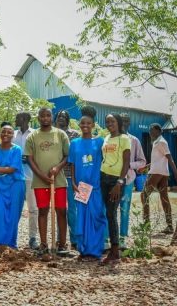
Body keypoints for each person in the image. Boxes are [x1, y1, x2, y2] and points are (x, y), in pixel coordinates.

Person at [25, 107, 70, 255]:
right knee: (43, 211)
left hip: (59, 181)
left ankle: (62, 245)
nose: (45, 118)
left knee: (62, 211)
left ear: (52, 117)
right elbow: (29, 158)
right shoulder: (33, 136)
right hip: (40, 181)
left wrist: (57, 168)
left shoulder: (60, 134)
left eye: (48, 115)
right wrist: (41, 175)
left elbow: (66, 156)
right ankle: (44, 244)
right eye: (42, 116)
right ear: (38, 118)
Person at [69, 106, 106, 260]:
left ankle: (96, 250)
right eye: (82, 123)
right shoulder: (75, 143)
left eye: (88, 123)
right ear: (79, 125)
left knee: (97, 216)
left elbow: (105, 162)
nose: (85, 126)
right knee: (82, 217)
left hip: (96, 186)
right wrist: (73, 182)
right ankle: (83, 250)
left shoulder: (100, 142)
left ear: (93, 125)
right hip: (82, 186)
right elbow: (72, 164)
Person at [141, 123, 177, 234]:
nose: (150, 132)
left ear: (157, 130)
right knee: (164, 199)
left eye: (151, 130)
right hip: (161, 173)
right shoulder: (157, 142)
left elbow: (170, 159)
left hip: (157, 173)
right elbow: (158, 160)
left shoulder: (161, 142)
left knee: (144, 195)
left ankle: (146, 224)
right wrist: (146, 166)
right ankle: (170, 226)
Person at [100, 113, 130, 263]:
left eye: (112, 121)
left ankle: (115, 251)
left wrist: (119, 182)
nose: (109, 123)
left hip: (115, 181)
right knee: (107, 213)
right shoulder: (106, 138)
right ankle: (112, 249)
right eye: (107, 121)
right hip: (103, 178)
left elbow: (126, 162)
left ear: (118, 123)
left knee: (111, 213)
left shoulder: (124, 139)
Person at [119, 114, 146, 248]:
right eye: (122, 121)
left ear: (129, 123)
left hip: (128, 180)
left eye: (127, 121)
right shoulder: (110, 139)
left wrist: (129, 165)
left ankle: (122, 238)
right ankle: (108, 239)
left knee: (124, 209)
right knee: (109, 210)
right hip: (111, 181)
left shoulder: (134, 140)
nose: (124, 123)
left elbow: (142, 161)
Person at [13, 112, 39, 250]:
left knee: (33, 208)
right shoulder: (13, 134)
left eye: (17, 117)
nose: (15, 119)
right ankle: (11, 237)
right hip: (15, 176)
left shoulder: (34, 134)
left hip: (31, 176)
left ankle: (33, 237)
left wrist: (29, 159)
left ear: (25, 119)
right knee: (14, 207)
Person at [55, 109, 80, 250]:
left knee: (72, 209)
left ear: (68, 119)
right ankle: (60, 239)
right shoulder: (52, 134)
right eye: (59, 116)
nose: (62, 118)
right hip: (56, 177)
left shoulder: (74, 135)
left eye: (64, 117)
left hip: (70, 176)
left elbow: (74, 156)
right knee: (59, 209)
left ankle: (75, 239)